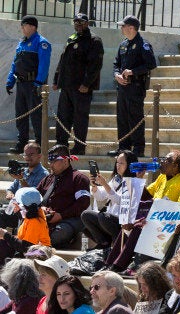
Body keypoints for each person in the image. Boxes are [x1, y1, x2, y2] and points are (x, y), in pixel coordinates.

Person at [103, 150, 180, 273]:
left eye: (167, 160)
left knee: (137, 227)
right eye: (162, 158)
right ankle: (110, 262)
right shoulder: (162, 177)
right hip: (154, 216)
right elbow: (146, 195)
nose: (162, 162)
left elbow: (166, 205)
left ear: (176, 166)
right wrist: (139, 179)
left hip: (166, 220)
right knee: (128, 225)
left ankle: (119, 265)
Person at [52, 12, 104, 155]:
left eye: (81, 22)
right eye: (76, 22)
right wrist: (56, 80)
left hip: (81, 88)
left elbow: (95, 65)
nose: (78, 25)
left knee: (79, 118)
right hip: (66, 85)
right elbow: (63, 61)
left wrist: (86, 84)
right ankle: (61, 144)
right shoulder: (72, 38)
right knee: (63, 116)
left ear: (87, 23)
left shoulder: (94, 40)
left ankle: (79, 146)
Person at [108, 15, 157, 158]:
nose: (121, 28)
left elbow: (151, 64)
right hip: (122, 88)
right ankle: (123, 148)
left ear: (131, 28)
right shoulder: (123, 44)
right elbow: (116, 64)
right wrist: (117, 75)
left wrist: (133, 72)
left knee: (135, 118)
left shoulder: (143, 44)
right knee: (122, 118)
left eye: (123, 26)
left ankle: (138, 148)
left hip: (136, 87)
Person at [5, 15, 51, 154]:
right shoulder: (22, 43)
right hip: (21, 83)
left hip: (33, 84)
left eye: (24, 25)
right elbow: (15, 63)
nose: (22, 28)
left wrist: (38, 82)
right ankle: (22, 143)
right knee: (21, 114)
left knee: (36, 116)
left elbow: (44, 64)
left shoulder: (41, 43)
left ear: (32, 26)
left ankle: (40, 144)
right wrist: (10, 81)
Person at [37, 145, 90, 248]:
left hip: (68, 219)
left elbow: (83, 203)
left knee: (60, 232)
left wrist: (61, 215)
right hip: (46, 217)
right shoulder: (48, 179)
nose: (50, 165)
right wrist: (41, 208)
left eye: (54, 162)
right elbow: (35, 195)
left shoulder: (79, 178)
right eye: (50, 162)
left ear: (65, 161)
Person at [82, 150, 138, 250]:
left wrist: (104, 184)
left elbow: (120, 200)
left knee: (104, 217)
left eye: (121, 163)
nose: (118, 165)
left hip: (122, 222)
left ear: (129, 165)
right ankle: (103, 243)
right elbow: (100, 196)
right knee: (86, 215)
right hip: (109, 218)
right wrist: (94, 185)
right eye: (117, 162)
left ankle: (118, 243)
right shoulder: (116, 179)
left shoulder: (133, 182)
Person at [0, 187, 50, 263]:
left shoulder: (35, 221)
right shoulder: (36, 213)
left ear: (24, 206)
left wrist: (5, 235)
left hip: (38, 253)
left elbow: (25, 247)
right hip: (29, 249)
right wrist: (19, 213)